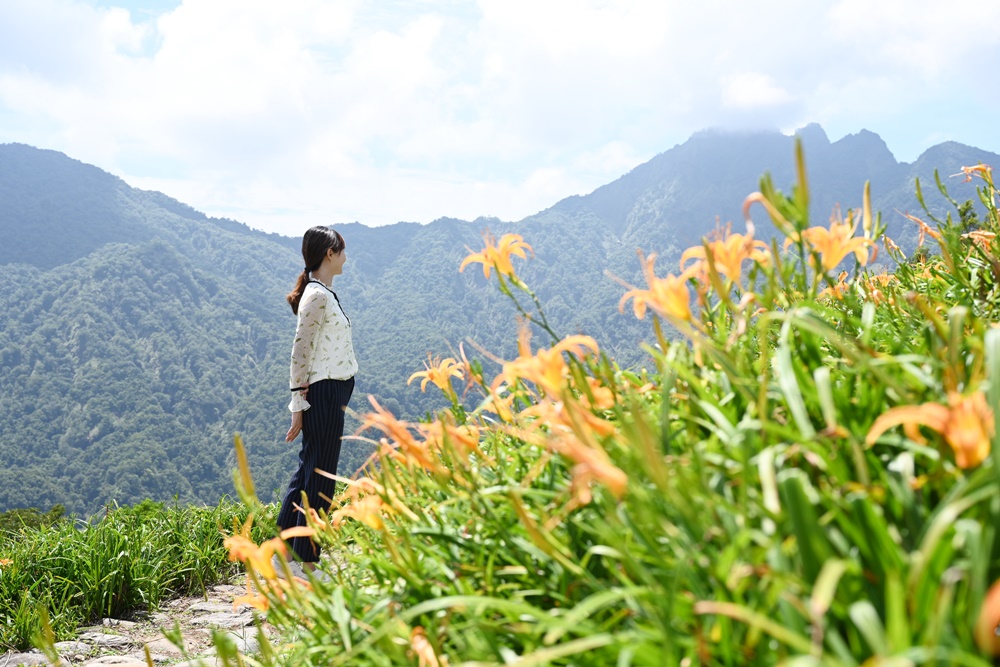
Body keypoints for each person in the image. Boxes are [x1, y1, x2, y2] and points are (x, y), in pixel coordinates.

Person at [274, 226, 357, 577]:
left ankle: (282, 555)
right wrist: (298, 404)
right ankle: (306, 563)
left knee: (310, 469)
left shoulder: (321, 292)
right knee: (321, 475)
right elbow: (300, 351)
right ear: (329, 253)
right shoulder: (317, 296)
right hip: (323, 393)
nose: (345, 256)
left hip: (329, 391)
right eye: (342, 250)